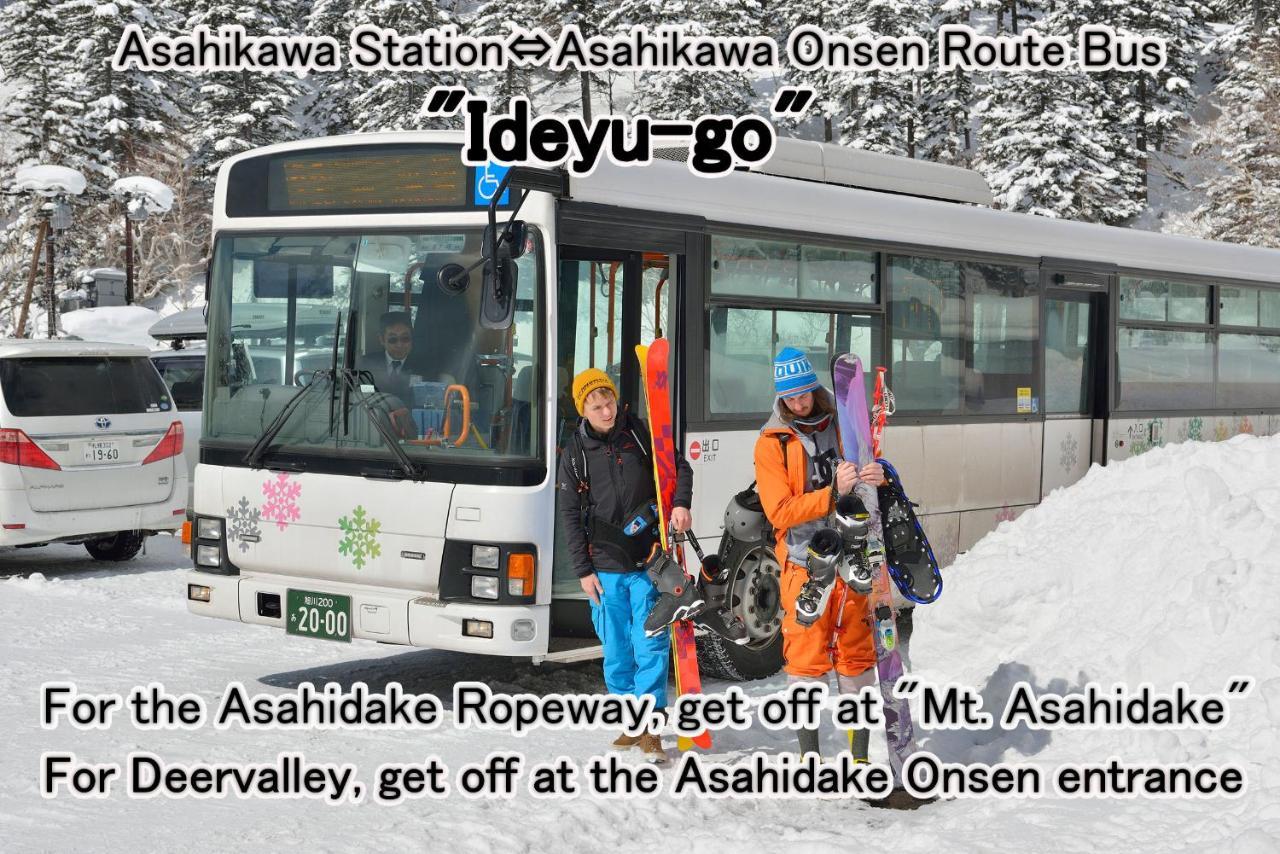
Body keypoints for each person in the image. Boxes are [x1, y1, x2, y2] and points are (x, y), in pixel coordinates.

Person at [753, 347, 885, 761]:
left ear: (814, 387)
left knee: (856, 655)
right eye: (790, 398)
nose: (799, 403)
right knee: (806, 661)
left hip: (854, 554)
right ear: (780, 399)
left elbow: (869, 469)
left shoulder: (845, 423)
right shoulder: (771, 443)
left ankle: (859, 756)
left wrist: (881, 475)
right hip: (801, 563)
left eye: (804, 394)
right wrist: (831, 494)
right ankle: (811, 756)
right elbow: (779, 511)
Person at [555, 368, 693, 763]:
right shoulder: (576, 455)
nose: (605, 411)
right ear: (583, 409)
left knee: (649, 644)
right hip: (604, 568)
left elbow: (679, 468)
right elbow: (568, 515)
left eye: (609, 402)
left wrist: (681, 503)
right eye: (596, 406)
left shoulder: (640, 434)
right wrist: (583, 571)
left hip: (648, 563)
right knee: (616, 651)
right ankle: (630, 720)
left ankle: (650, 729)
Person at [356, 311, 417, 403]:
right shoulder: (366, 365)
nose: (399, 345)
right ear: (381, 339)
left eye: (405, 338)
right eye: (393, 339)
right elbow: (361, 396)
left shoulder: (424, 367)